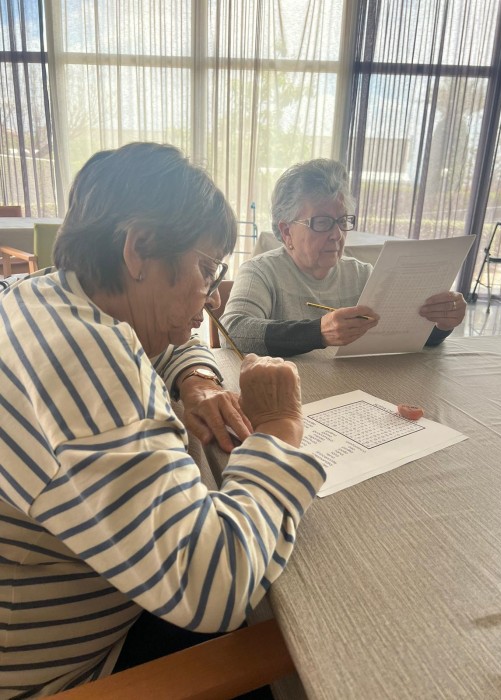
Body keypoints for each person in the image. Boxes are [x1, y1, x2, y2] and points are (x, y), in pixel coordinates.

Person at [0, 142, 325, 697]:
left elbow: (174, 339)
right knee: (296, 627)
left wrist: (196, 378)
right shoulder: (84, 360)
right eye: (205, 269)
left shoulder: (51, 298)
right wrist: (279, 428)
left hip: (80, 605)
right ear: (140, 248)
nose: (210, 299)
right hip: (65, 673)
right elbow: (215, 584)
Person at [220, 158, 466, 357]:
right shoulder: (261, 272)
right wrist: (318, 332)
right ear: (286, 231)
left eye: (342, 221)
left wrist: (442, 323)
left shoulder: (362, 275)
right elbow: (233, 332)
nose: (337, 235)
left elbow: (404, 335)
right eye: (322, 222)